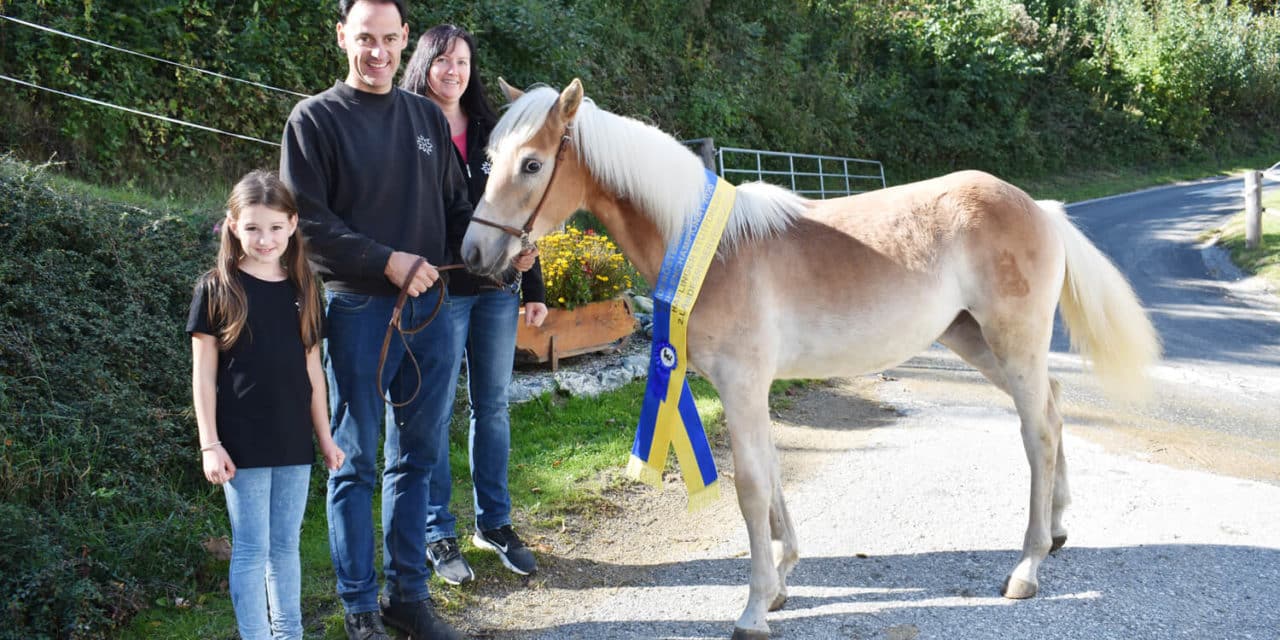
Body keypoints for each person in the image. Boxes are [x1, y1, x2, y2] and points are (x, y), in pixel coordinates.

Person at [278, 1, 471, 639]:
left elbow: (454, 207)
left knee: (417, 457)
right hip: (357, 310)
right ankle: (360, 607)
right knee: (355, 461)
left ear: (404, 39)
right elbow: (307, 224)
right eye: (365, 39)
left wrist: (504, 248)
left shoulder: (424, 117)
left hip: (430, 312)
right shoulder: (313, 120)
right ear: (342, 37)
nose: (378, 52)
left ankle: (408, 596)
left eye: (389, 39)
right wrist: (387, 261)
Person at [400, 23, 547, 585]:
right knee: (435, 415)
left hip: (497, 293)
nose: (453, 71)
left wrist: (533, 288)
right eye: (442, 61)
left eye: (461, 61)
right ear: (424, 65)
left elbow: (524, 206)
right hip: (439, 293)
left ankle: (496, 522)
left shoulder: (492, 128)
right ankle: (439, 531)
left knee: (493, 408)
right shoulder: (407, 125)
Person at [188, 170, 346, 640]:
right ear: (233, 225)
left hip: (294, 440)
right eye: (253, 227)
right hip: (242, 441)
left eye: (276, 227)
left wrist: (324, 437)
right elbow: (204, 374)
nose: (265, 238)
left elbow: (313, 371)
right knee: (252, 549)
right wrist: (209, 444)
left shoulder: (304, 289)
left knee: (286, 547)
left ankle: (288, 633)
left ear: (293, 224)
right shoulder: (217, 288)